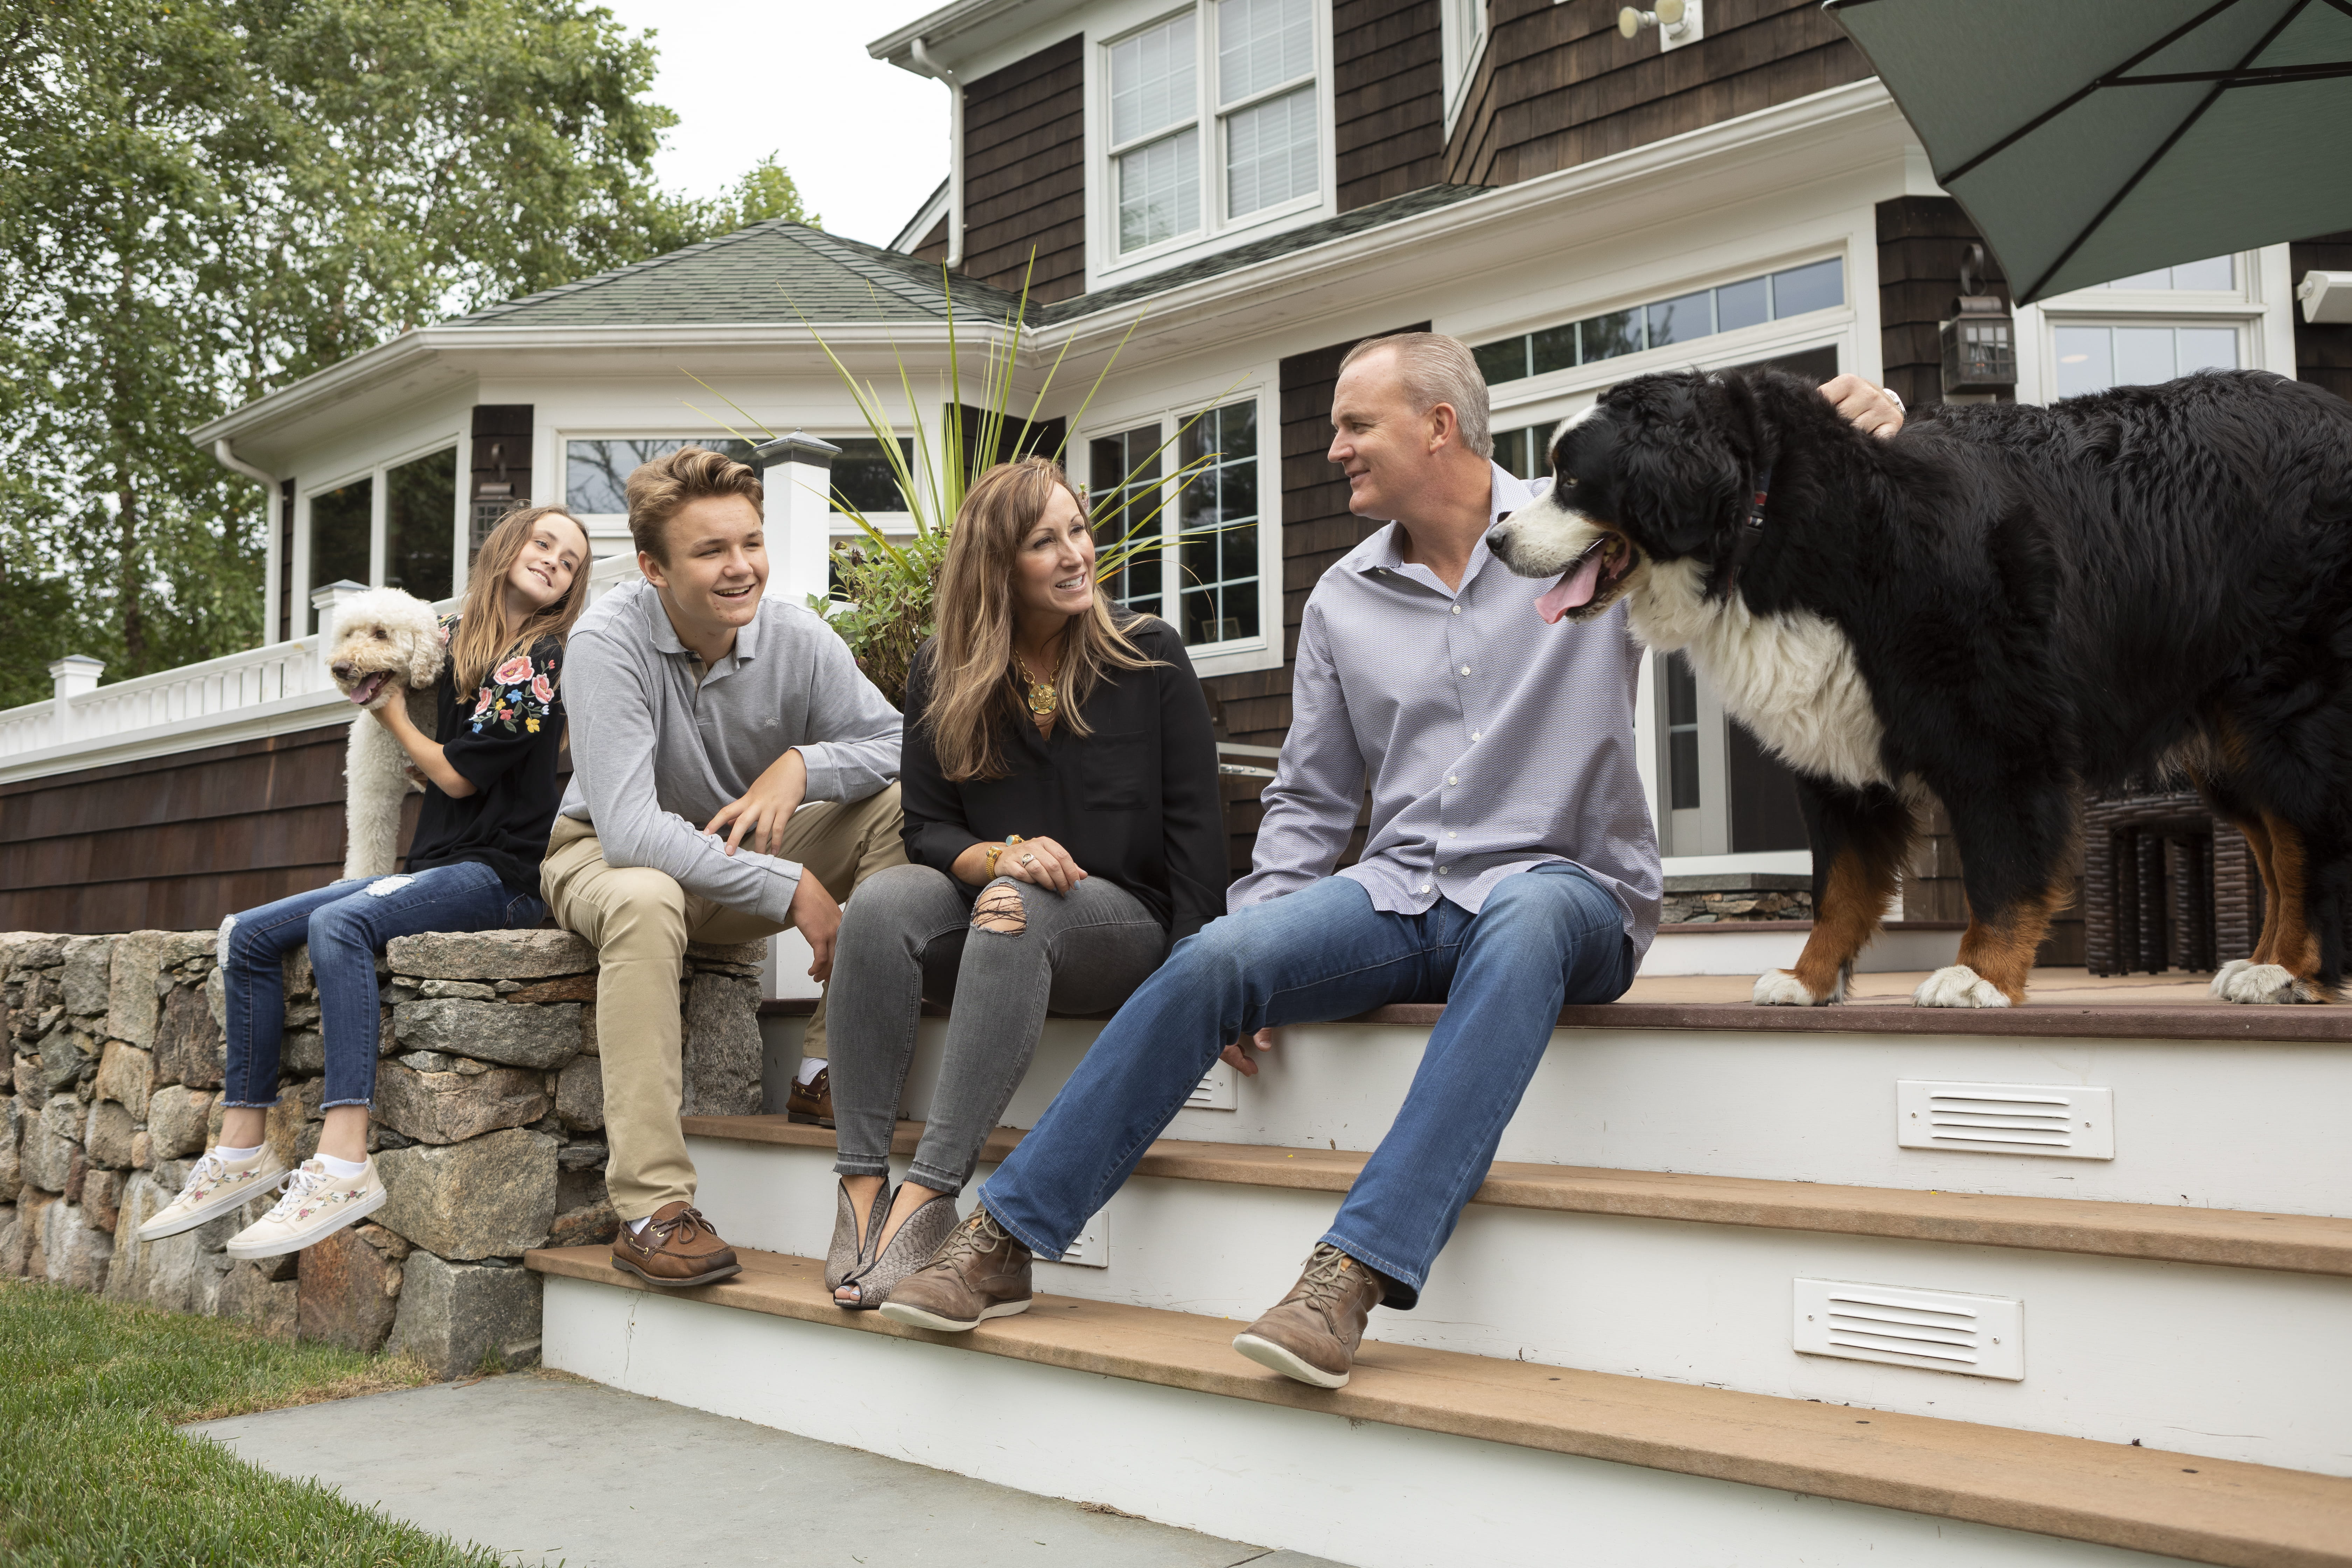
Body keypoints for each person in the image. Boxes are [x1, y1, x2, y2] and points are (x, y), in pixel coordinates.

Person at [880, 336, 1907, 1386]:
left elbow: (1746, 529)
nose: (1334, 450)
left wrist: (1841, 445)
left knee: (1526, 916)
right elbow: (1314, 798)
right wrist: (1261, 931)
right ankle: (1003, 1239)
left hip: (1571, 890)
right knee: (1214, 961)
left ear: (1440, 427)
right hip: (1403, 894)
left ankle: (1351, 1273)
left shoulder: (1604, 540)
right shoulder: (1341, 601)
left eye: (1355, 425)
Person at [823, 457, 1227, 1309]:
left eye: (1077, 530)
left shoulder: (1149, 655)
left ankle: (930, 1196)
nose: (1076, 553)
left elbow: (1198, 829)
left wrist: (1208, 981)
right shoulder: (944, 667)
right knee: (884, 902)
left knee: (1017, 904)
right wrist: (1001, 854)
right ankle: (860, 1184)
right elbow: (930, 827)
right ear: (997, 565)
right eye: (1046, 541)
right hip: (995, 909)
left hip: (1118, 927)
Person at [137, 505, 593, 1257]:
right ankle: (241, 1147)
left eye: (570, 559)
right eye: (544, 542)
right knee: (249, 935)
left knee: (338, 925)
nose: (554, 560)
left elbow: (452, 776)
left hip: (502, 875)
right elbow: (382, 674)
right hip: (439, 865)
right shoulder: (452, 641)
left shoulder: (537, 659)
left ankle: (346, 1159)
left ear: (570, 587)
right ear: (507, 547)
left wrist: (389, 716)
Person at [542, 445, 905, 1289]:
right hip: (602, 856)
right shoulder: (606, 641)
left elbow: (899, 747)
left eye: (750, 541)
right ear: (653, 568)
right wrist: (793, 886)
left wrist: (803, 768)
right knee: (643, 896)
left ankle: (827, 1068)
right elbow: (631, 831)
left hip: (727, 859)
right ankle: (651, 1207)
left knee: (900, 812)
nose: (741, 567)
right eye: (710, 551)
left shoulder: (795, 637)